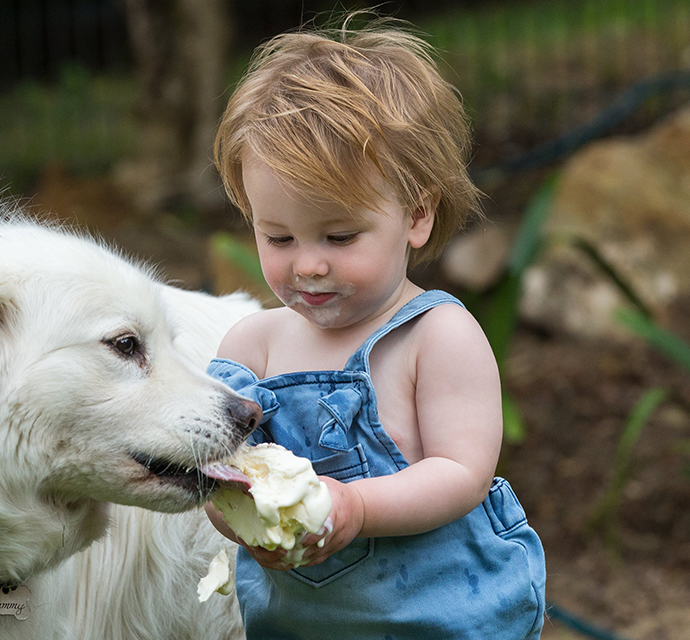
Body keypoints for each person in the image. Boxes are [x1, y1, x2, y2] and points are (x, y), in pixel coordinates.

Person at [204, 15, 546, 640]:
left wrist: (357, 507)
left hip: (443, 614)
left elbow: (461, 472)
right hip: (299, 624)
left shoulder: (437, 336)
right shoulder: (251, 347)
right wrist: (244, 516)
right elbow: (218, 472)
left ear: (415, 215)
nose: (307, 262)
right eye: (278, 236)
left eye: (340, 236)